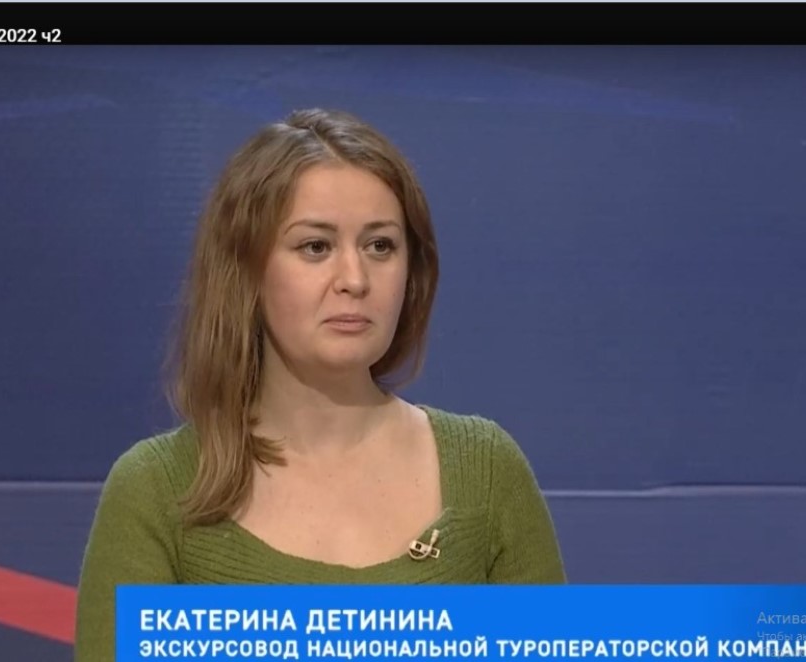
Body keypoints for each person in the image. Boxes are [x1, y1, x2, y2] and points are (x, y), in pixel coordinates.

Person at [74, 108, 565, 660]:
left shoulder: (489, 472)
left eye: (380, 246)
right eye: (315, 247)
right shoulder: (156, 492)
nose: (354, 279)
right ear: (246, 270)